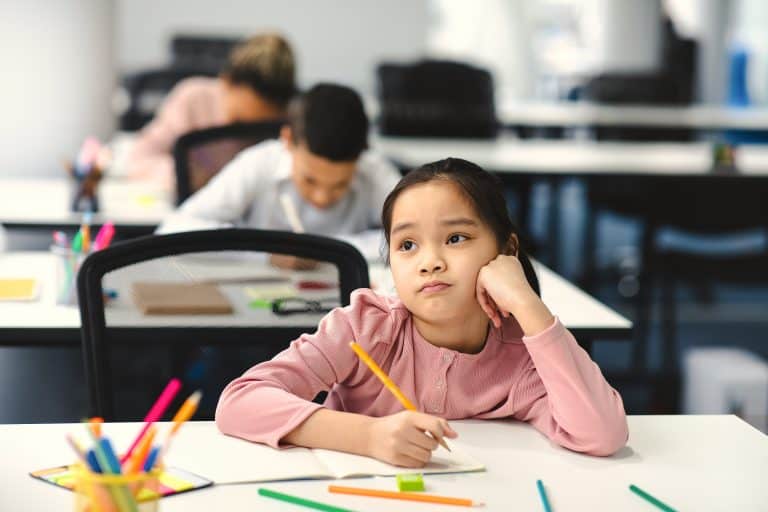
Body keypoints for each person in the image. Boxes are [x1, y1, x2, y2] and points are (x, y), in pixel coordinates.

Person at [215, 158, 628, 467]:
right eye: (407, 246)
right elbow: (240, 401)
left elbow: (602, 434)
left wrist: (526, 303)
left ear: (507, 252)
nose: (429, 261)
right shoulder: (365, 327)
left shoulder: (522, 353)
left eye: (456, 238)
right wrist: (370, 436)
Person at [159, 83, 402, 265]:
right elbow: (175, 229)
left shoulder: (373, 170)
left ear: (362, 155)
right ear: (287, 140)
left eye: (340, 184)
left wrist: (332, 251)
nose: (321, 197)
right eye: (310, 180)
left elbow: (421, 237)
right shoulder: (260, 163)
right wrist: (267, 253)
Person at [126, 33, 296, 190]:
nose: (242, 137)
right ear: (226, 82)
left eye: (256, 129)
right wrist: (182, 174)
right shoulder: (192, 98)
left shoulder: (289, 120)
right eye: (239, 122)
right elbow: (139, 158)